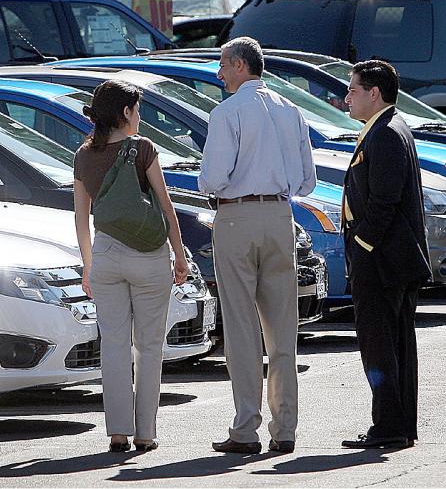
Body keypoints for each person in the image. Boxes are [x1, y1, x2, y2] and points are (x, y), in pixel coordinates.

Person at [199, 37, 316, 454]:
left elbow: (212, 178)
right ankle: (284, 429)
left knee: (242, 328)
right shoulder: (292, 110)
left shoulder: (227, 112)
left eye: (223, 66)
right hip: (281, 216)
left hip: (236, 216)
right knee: (283, 329)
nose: (219, 74)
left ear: (239, 65)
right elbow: (308, 180)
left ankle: (245, 428)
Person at [73, 79, 189, 453]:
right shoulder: (142, 149)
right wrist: (180, 253)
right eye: (137, 110)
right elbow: (166, 204)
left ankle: (118, 433)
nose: (140, 117)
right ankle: (145, 433)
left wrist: (89, 266)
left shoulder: (83, 155)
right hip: (148, 255)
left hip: (105, 253)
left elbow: (80, 217)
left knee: (114, 345)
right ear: (125, 113)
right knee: (149, 347)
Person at [340, 60, 430, 449]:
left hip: (382, 261)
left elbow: (385, 201)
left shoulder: (387, 133)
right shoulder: (383, 128)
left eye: (353, 90)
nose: (347, 97)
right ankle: (397, 425)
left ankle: (389, 426)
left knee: (381, 344)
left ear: (374, 93)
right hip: (387, 260)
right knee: (392, 344)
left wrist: (361, 245)